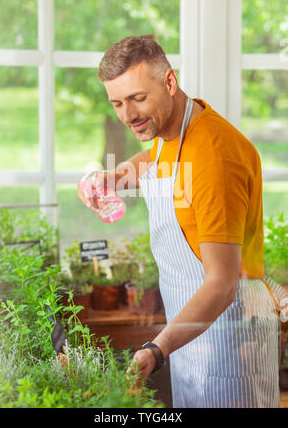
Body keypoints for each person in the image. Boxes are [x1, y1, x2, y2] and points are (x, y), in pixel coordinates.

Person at [78, 35, 280, 408]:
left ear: (169, 82)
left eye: (138, 98)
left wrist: (156, 349)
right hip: (188, 335)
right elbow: (155, 156)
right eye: (117, 103)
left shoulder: (215, 158)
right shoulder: (172, 127)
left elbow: (221, 285)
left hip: (228, 341)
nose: (128, 115)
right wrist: (113, 178)